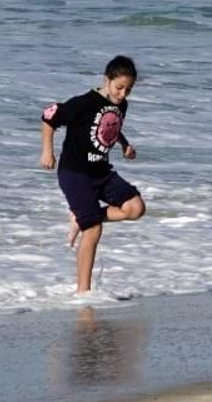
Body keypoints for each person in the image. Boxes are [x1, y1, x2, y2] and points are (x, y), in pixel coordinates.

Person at [40, 55, 146, 293]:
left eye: (128, 90)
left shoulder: (121, 105)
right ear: (106, 80)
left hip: (100, 171)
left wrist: (124, 144)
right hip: (75, 173)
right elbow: (49, 117)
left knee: (135, 208)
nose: (123, 94)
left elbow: (111, 126)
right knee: (94, 229)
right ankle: (83, 293)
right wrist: (47, 152)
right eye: (119, 87)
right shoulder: (84, 103)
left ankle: (82, 217)